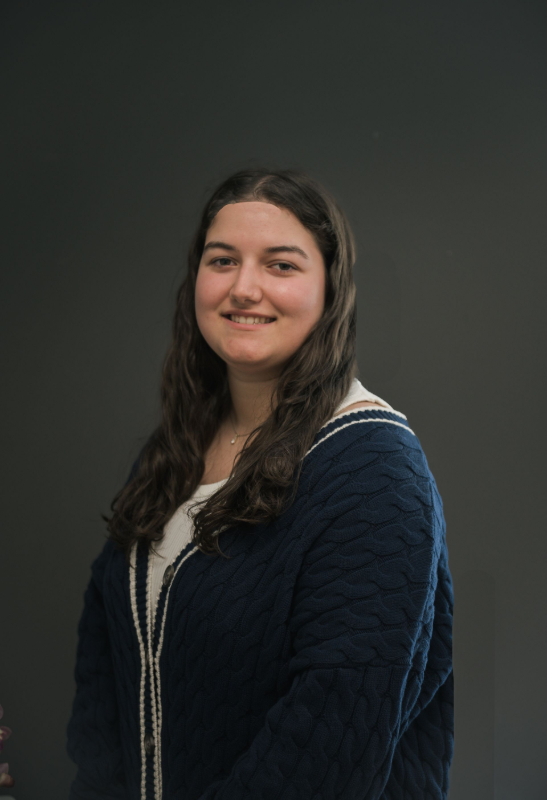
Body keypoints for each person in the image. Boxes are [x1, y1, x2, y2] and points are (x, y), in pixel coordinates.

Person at [66, 167, 454, 800]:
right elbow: (104, 662)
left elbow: (329, 750)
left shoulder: (374, 472)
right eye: (223, 260)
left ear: (331, 289)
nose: (244, 288)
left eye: (280, 265)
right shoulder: (175, 452)